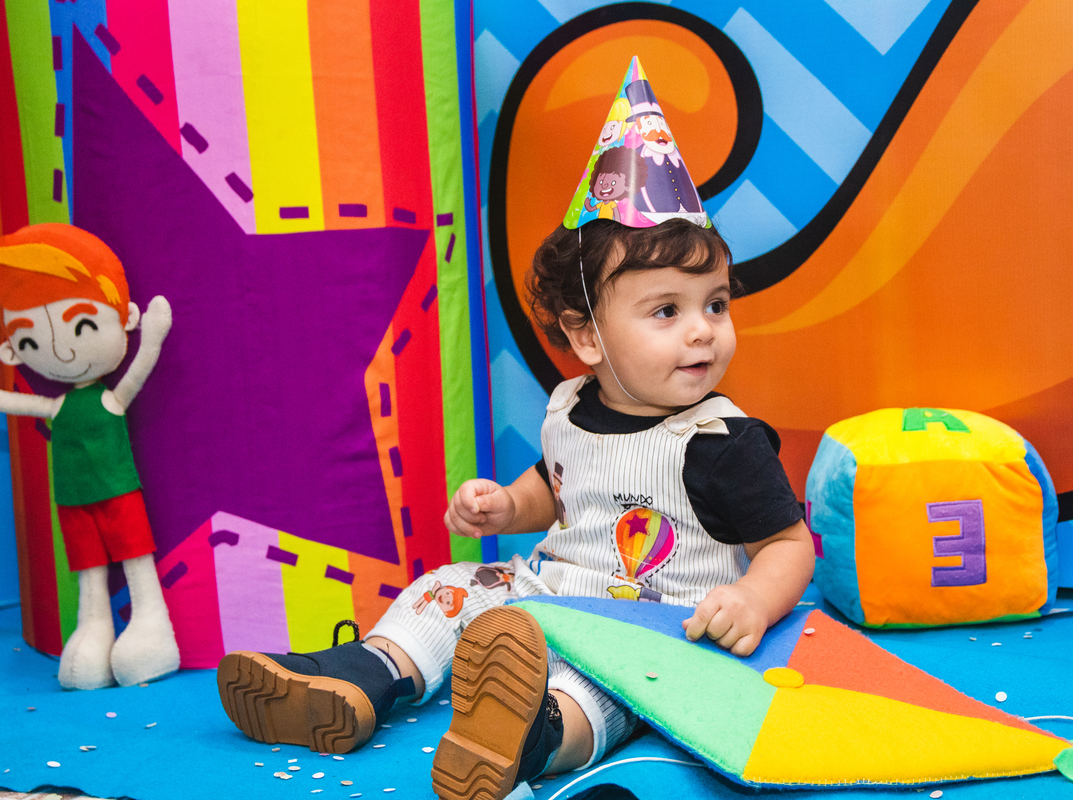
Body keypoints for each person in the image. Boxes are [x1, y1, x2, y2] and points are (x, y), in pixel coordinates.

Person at [215, 57, 815, 800]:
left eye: (715, 305)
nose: (703, 331)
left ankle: (530, 738)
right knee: (453, 586)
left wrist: (753, 600)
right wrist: (507, 505)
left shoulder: (721, 442)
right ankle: (369, 676)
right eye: (668, 311)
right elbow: (559, 487)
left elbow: (787, 545)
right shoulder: (569, 405)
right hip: (547, 595)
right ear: (586, 336)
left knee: (612, 692)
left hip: (657, 630)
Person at [0, 223, 179, 690]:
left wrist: (152, 340)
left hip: (118, 491)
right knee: (88, 571)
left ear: (125, 318)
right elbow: (23, 404)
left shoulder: (107, 400)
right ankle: (92, 632)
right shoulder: (59, 406)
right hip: (72, 500)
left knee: (136, 559)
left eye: (81, 325)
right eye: (30, 342)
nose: (61, 351)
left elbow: (135, 375)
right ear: (12, 351)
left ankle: (151, 628)